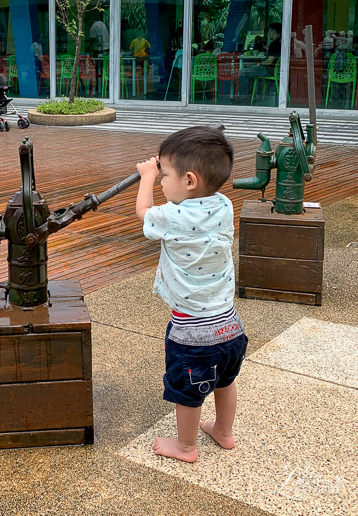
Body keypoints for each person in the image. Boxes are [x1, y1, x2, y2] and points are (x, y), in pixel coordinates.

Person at [135, 127, 248, 463]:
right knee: (225, 382)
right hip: (230, 326)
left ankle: (185, 447)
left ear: (188, 181)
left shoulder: (172, 216)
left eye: (164, 176)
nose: (160, 182)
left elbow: (144, 214)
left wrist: (145, 176)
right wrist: (161, 171)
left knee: (189, 392)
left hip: (192, 333)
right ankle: (223, 432)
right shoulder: (225, 205)